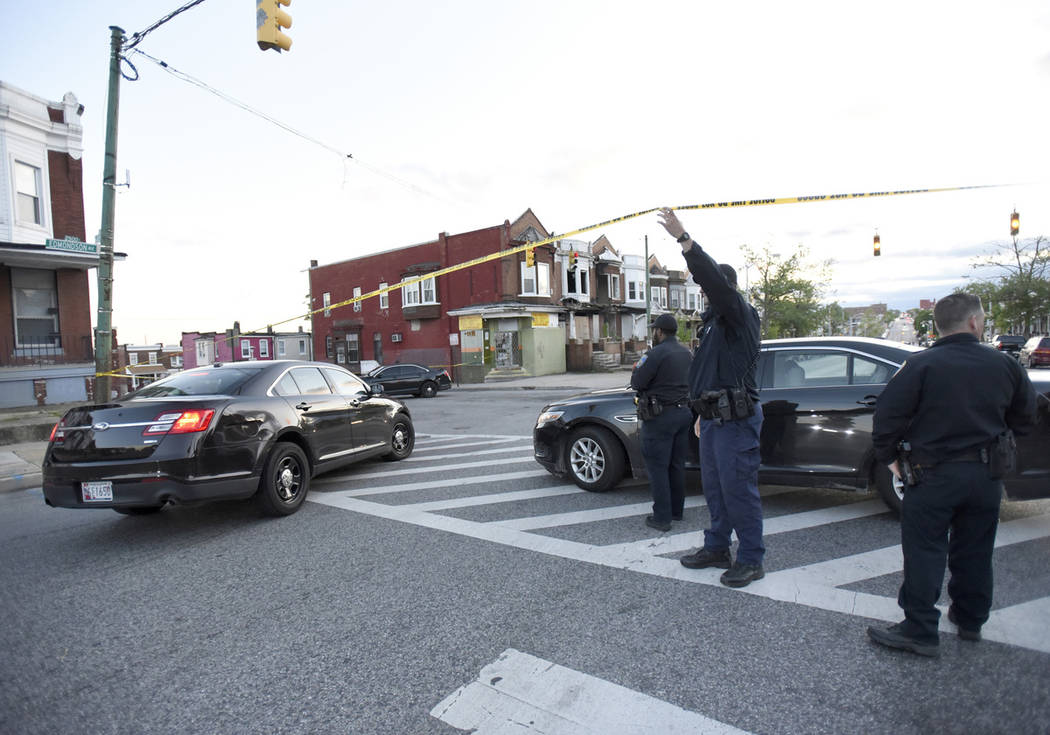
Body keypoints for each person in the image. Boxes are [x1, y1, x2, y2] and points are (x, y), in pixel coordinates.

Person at [867, 293, 1036, 657]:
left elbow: (887, 418)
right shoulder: (1005, 365)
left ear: (937, 326)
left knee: (925, 551)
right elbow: (1026, 418)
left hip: (932, 475)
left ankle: (920, 629)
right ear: (974, 322)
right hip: (985, 474)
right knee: (976, 549)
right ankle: (971, 620)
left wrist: (889, 458)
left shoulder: (920, 366)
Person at [656, 208, 766, 588]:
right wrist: (701, 411)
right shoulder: (714, 327)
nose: (704, 295)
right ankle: (717, 546)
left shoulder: (739, 316)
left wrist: (684, 240)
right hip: (715, 419)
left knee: (739, 491)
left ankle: (751, 559)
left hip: (737, 420)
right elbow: (706, 375)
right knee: (717, 491)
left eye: (708, 290)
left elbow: (716, 285)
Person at [630, 313, 693, 532]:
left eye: (654, 330)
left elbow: (637, 381)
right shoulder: (687, 352)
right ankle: (677, 511)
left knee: (657, 467)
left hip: (660, 417)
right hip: (683, 413)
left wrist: (638, 368)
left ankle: (662, 518)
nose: (653, 333)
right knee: (676, 465)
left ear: (660, 331)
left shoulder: (655, 354)